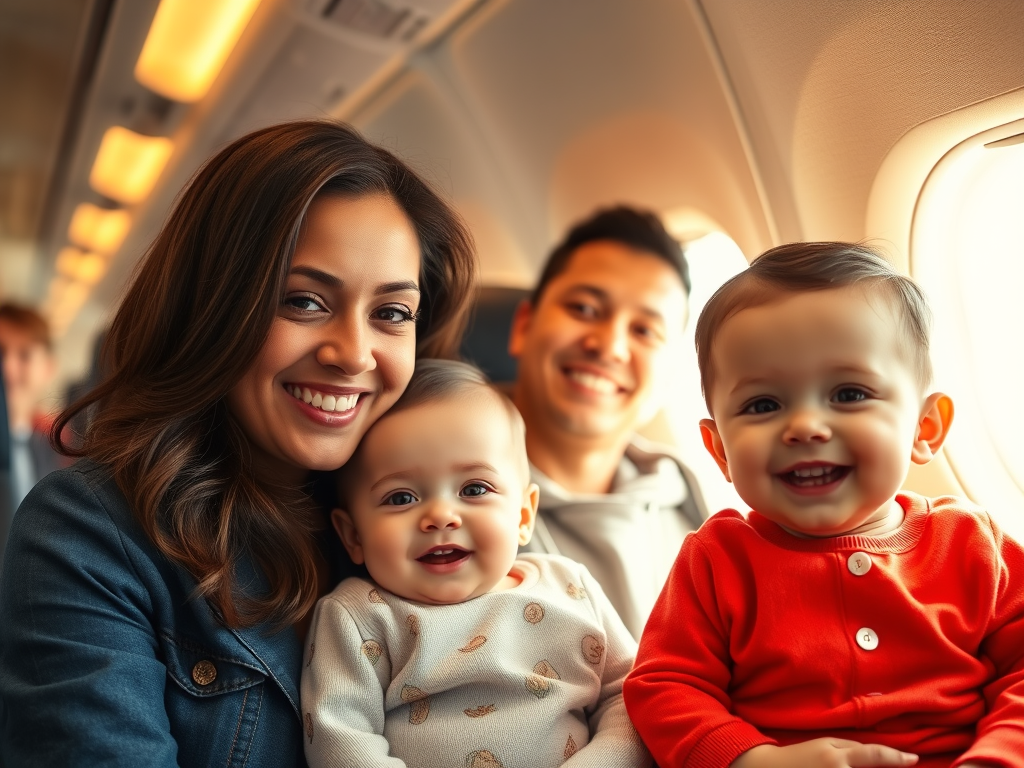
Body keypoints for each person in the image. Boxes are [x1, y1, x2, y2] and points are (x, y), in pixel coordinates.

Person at [0, 120, 476, 767]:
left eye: (391, 313)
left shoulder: (449, 516)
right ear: (212, 308)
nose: (353, 354)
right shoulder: (87, 535)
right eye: (303, 301)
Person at [623, 242, 1024, 768]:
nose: (806, 427)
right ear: (720, 450)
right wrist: (754, 760)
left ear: (924, 428)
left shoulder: (971, 543)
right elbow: (665, 687)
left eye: (849, 394)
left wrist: (995, 758)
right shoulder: (718, 559)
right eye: (763, 404)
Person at [302, 359, 650, 768]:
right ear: (354, 536)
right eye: (401, 498)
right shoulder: (358, 616)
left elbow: (631, 697)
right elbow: (340, 737)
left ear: (523, 515)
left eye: (474, 489)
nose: (440, 516)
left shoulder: (570, 586)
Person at [507, 205, 707, 639]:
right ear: (523, 326)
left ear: (669, 377)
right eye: (584, 308)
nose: (610, 346)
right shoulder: (437, 491)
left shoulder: (697, 517)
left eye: (644, 331)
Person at [0, 303, 64, 507]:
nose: (7, 368)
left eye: (24, 355)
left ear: (48, 368)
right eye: (1, 353)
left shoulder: (52, 452)